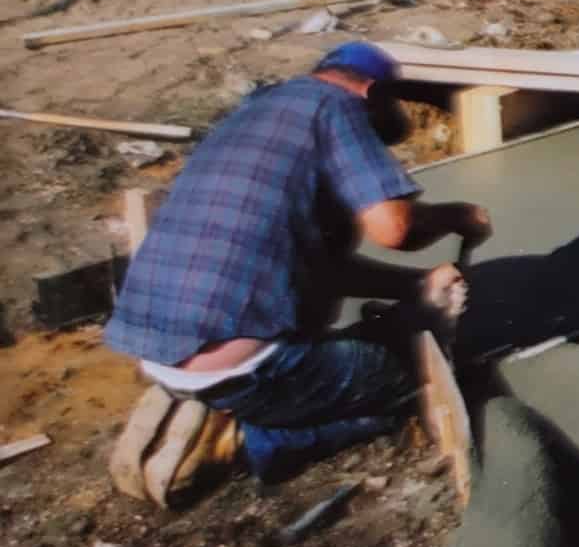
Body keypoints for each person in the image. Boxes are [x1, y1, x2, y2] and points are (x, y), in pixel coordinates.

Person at [104, 43, 492, 508]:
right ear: (373, 90)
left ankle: (196, 403)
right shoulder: (339, 106)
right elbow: (395, 228)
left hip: (160, 353)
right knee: (409, 376)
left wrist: (413, 286)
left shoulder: (253, 115)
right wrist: (457, 215)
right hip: (243, 370)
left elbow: (320, 270)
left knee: (357, 333)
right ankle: (249, 442)